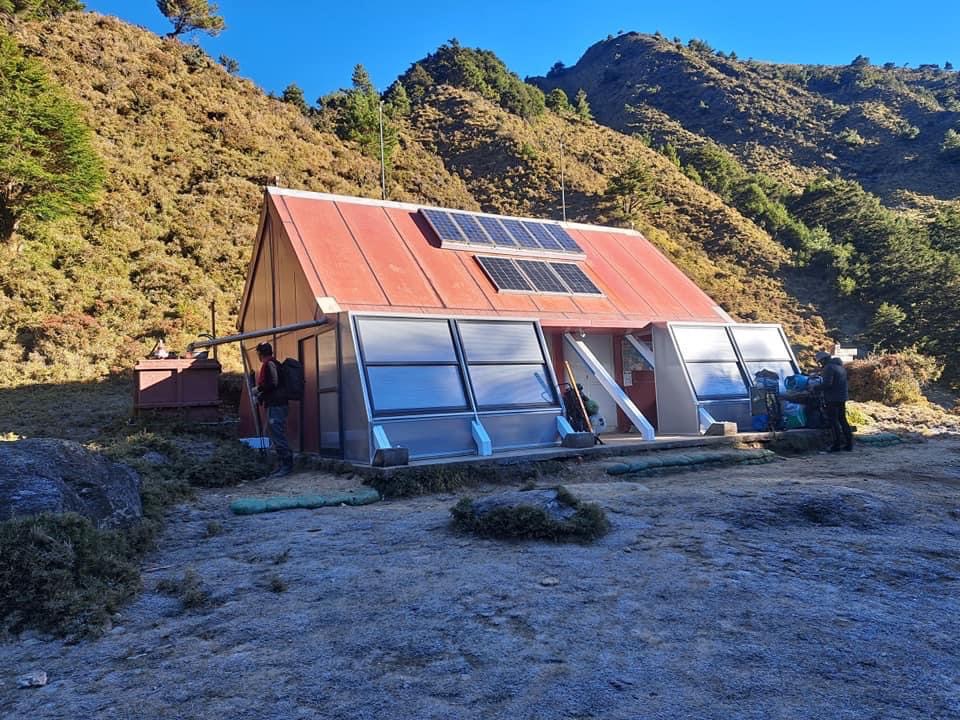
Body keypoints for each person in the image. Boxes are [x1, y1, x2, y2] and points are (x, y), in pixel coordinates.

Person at [254, 342, 293, 476]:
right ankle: (281, 464)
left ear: (260, 354)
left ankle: (286, 465)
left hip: (277, 404)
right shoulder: (274, 363)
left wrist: (258, 389)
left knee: (277, 433)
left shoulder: (270, 364)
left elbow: (272, 383)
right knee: (274, 433)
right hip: (276, 403)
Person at [816, 350, 853, 452]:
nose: (820, 364)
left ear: (823, 360)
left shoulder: (829, 368)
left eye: (820, 362)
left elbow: (827, 384)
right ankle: (849, 444)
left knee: (833, 421)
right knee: (843, 420)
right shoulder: (840, 367)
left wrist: (815, 388)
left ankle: (836, 445)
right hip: (842, 397)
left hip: (832, 398)